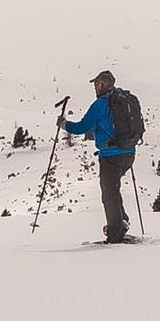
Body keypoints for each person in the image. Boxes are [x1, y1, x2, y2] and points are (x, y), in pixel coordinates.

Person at [61, 70, 137, 244]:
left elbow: (81, 127)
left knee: (109, 194)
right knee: (113, 189)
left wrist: (64, 124)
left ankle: (115, 234)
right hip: (129, 152)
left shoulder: (100, 104)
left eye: (97, 84)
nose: (95, 87)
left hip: (110, 155)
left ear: (105, 84)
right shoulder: (125, 99)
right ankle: (121, 222)